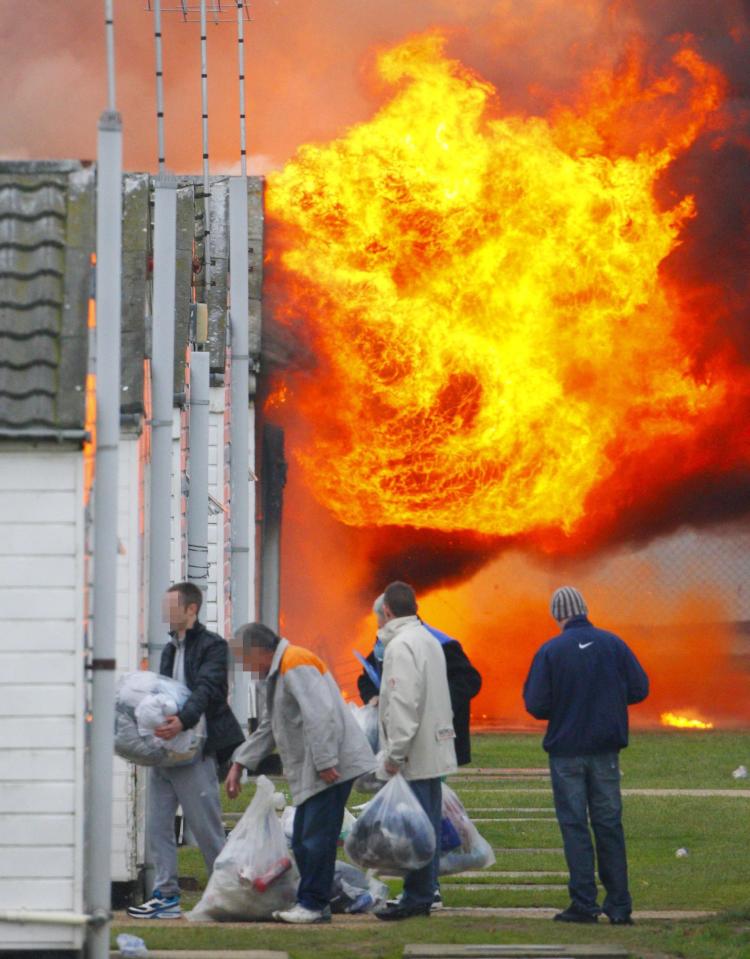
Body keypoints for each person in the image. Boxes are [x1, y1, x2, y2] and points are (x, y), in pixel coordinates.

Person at [225, 622, 375, 924]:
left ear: (259, 651)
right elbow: (269, 727)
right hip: (319, 768)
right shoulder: (279, 671)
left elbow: (321, 716)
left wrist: (325, 762)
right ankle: (313, 901)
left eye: (244, 659)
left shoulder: (296, 663)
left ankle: (314, 904)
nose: (244, 667)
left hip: (330, 767)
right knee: (308, 837)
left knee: (315, 838)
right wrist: (240, 762)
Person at [523, 586, 649, 926]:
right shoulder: (613, 644)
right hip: (606, 751)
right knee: (609, 823)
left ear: (557, 615)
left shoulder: (550, 651)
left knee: (575, 824)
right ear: (584, 610)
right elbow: (640, 688)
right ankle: (620, 905)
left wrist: (566, 705)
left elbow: (535, 704)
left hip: (566, 753)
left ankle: (583, 904)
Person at [127, 582, 245, 920]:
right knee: (158, 825)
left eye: (172, 606)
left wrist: (182, 720)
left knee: (206, 827)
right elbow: (163, 692)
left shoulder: (212, 646)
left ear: (191, 609)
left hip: (197, 750)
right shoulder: (168, 649)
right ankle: (165, 896)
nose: (166, 613)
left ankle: (227, 894)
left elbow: (208, 690)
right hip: (165, 750)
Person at [373, 581, 457, 921]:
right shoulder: (428, 640)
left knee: (414, 828)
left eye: (379, 616)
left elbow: (404, 704)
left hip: (414, 754)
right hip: (433, 748)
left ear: (388, 612)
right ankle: (424, 890)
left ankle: (416, 895)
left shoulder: (399, 646)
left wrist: (394, 756)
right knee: (428, 826)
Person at [358, 594, 482, 765]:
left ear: (388, 614)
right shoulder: (385, 643)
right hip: (403, 733)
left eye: (379, 619)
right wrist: (372, 696)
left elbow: (469, 679)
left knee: (422, 786)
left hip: (437, 735)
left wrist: (438, 704)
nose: (378, 626)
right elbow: (366, 677)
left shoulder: (439, 642)